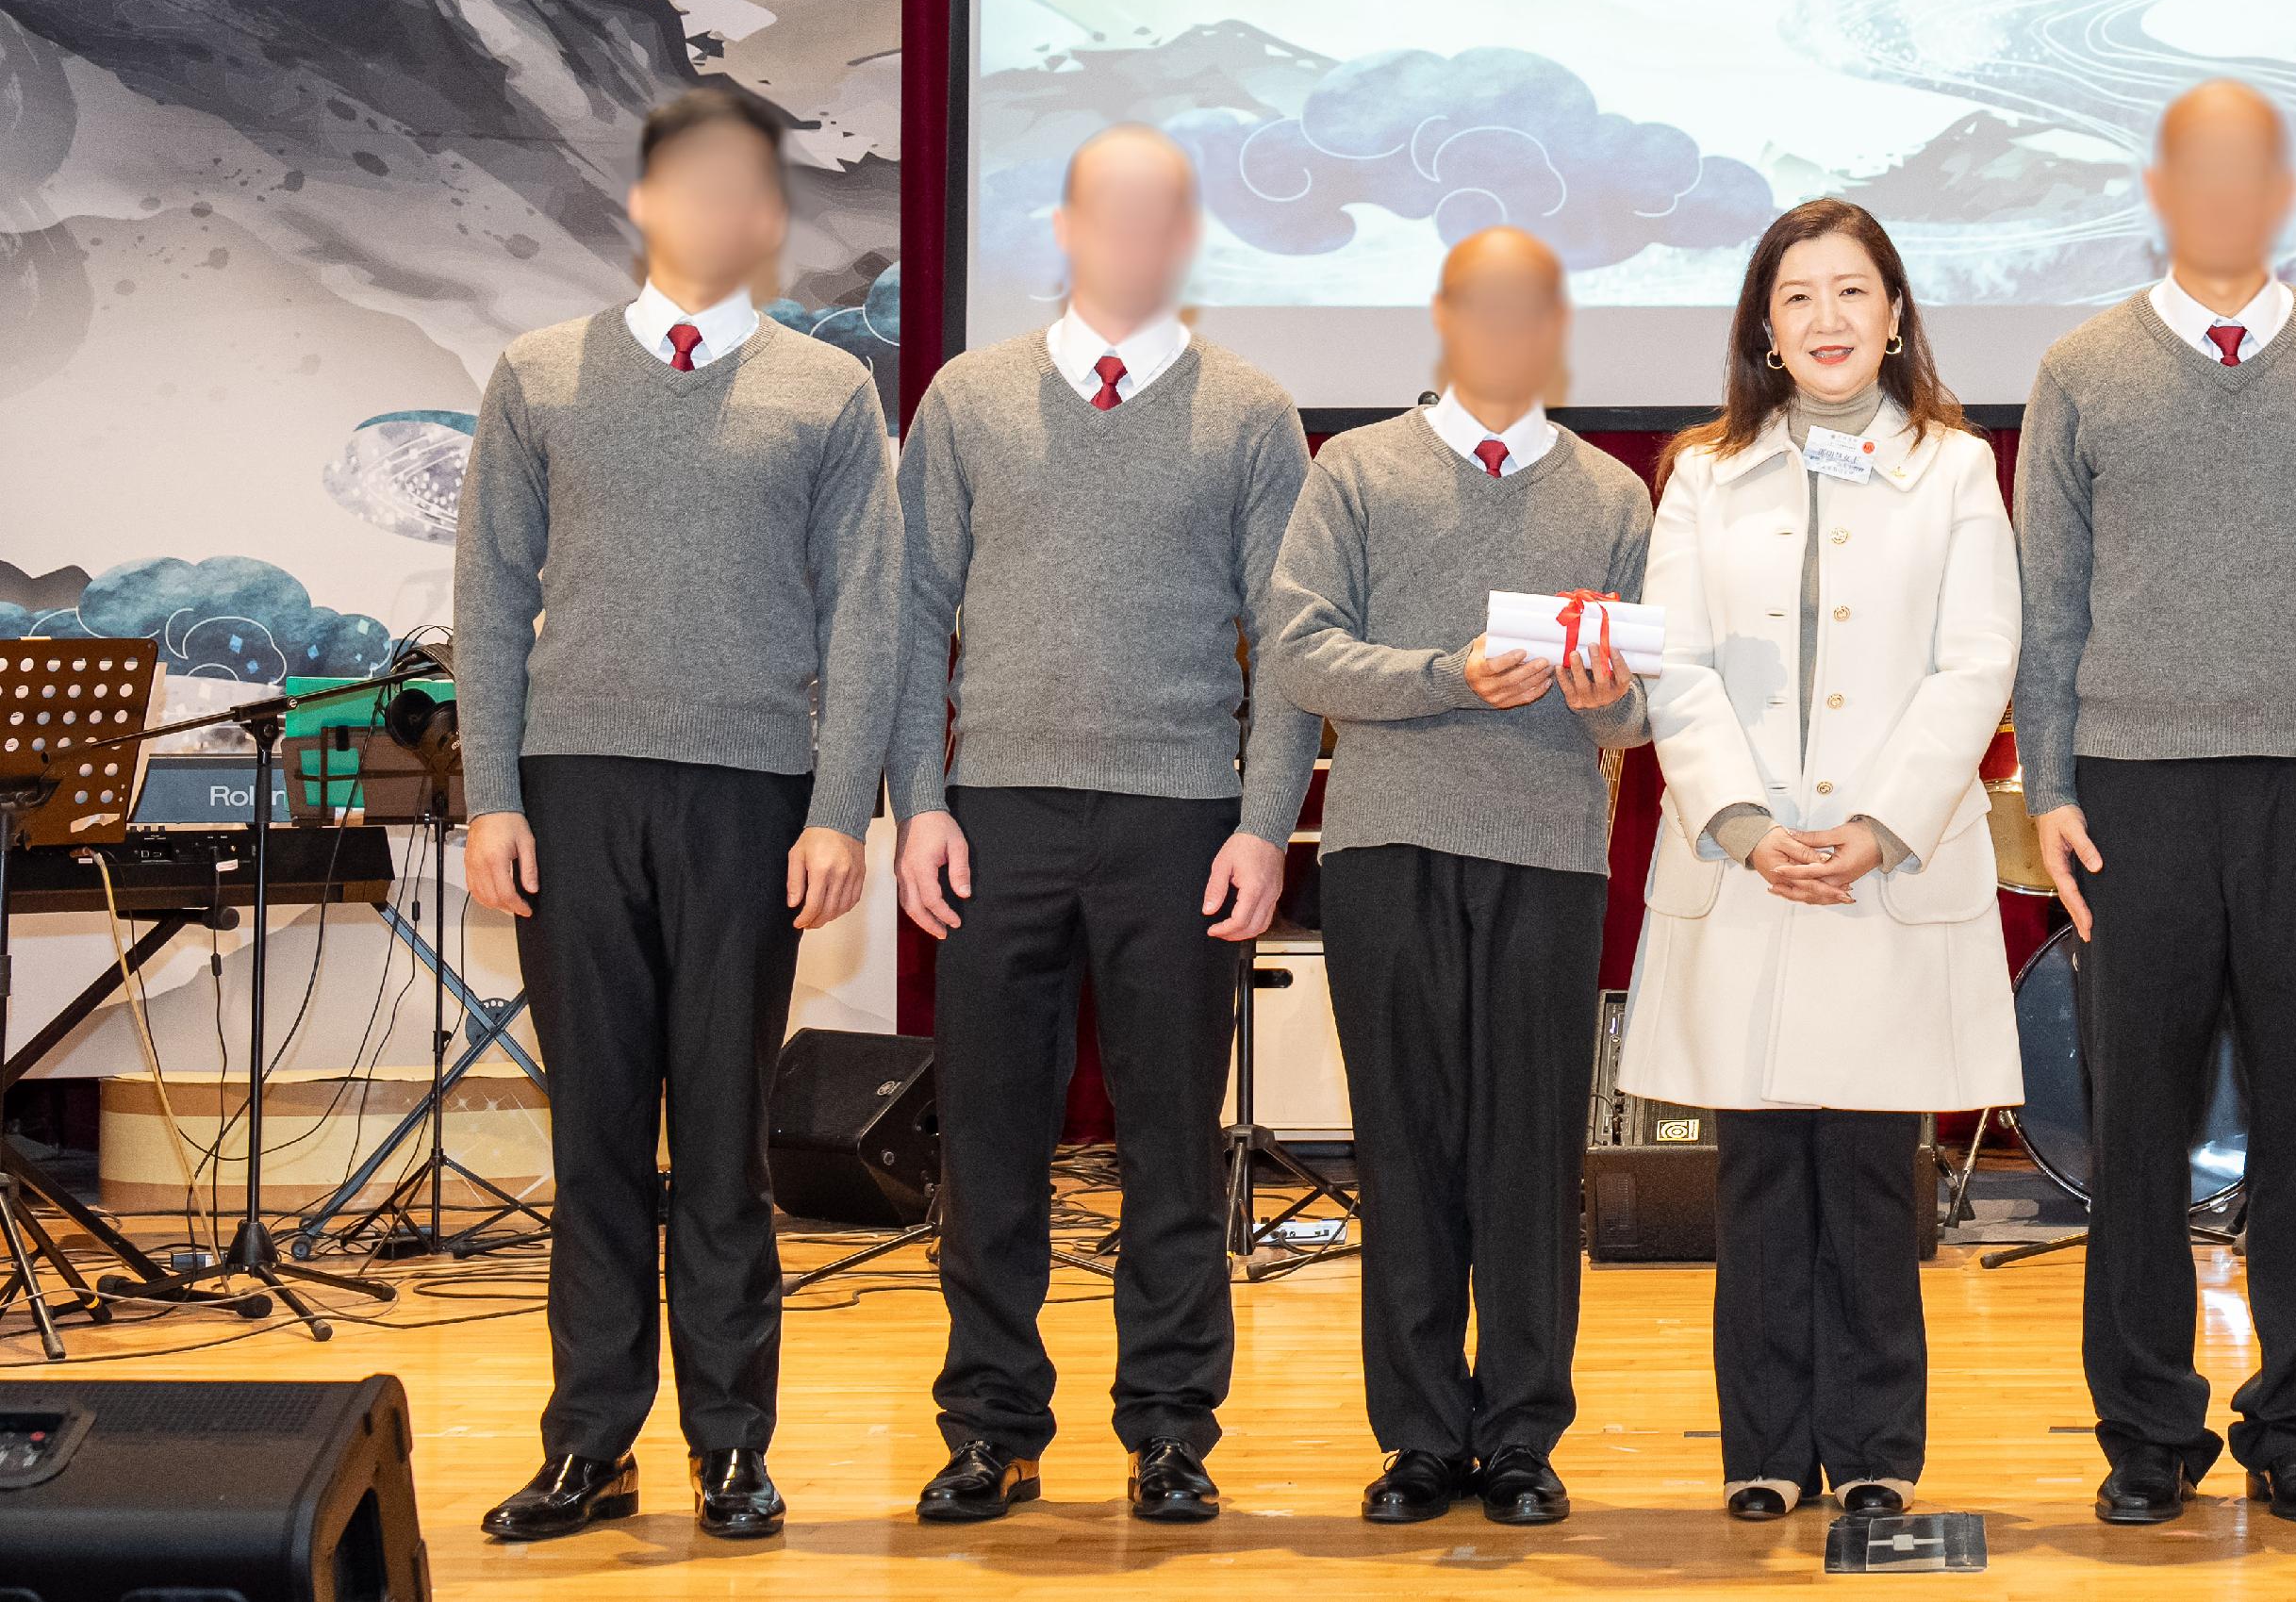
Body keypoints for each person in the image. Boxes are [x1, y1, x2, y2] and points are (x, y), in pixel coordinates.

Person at [451, 87, 897, 1544]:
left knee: (722, 1143)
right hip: (573, 798)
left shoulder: (828, 392)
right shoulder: (537, 375)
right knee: (593, 1138)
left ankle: (731, 1446)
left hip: (753, 801)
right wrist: (492, 795)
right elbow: (490, 606)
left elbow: (869, 613)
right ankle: (591, 1444)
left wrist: (842, 809)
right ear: (641, 203)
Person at [889, 125, 1320, 1528]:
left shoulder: (1253, 413)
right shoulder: (967, 400)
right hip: (998, 818)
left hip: (1182, 822)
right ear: (1065, 228)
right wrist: (921, 807)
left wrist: (1264, 826)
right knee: (993, 1147)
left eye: (1165, 221)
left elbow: (1293, 641)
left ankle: (1172, 1431)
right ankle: (992, 1427)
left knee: (1172, 1152)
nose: (1137, 243)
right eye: (1112, 217)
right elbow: (907, 617)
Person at [2018, 78, 2296, 1528]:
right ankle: (2145, 1436)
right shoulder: (2082, 368)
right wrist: (2048, 782)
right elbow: (2047, 605)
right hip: (2134, 788)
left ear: (2288, 188)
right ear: (2162, 187)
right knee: (2140, 1126)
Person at [1618, 200, 2023, 1524]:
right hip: (1746, 867)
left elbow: (1977, 664)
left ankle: (1877, 1451)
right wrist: (1738, 819)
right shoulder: (1701, 474)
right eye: (1800, 298)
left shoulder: (1956, 470)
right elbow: (1668, 667)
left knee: (1865, 1171)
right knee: (1758, 1167)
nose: (1830, 319)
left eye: (1855, 293)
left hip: (1885, 869)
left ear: (1897, 316)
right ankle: (1765, 1450)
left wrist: (1881, 826)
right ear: (1765, 330)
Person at [1264, 226, 1658, 1529]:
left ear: (1557, 326)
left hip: (1548, 857)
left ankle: (1527, 1434)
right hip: (1387, 851)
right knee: (1409, 1144)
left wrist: (1610, 700)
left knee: (1533, 1154)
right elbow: (1300, 649)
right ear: (1441, 317)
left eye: (1529, 307)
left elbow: (1644, 708)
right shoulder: (1358, 471)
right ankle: (1422, 1434)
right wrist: (1444, 676)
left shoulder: (1612, 494)